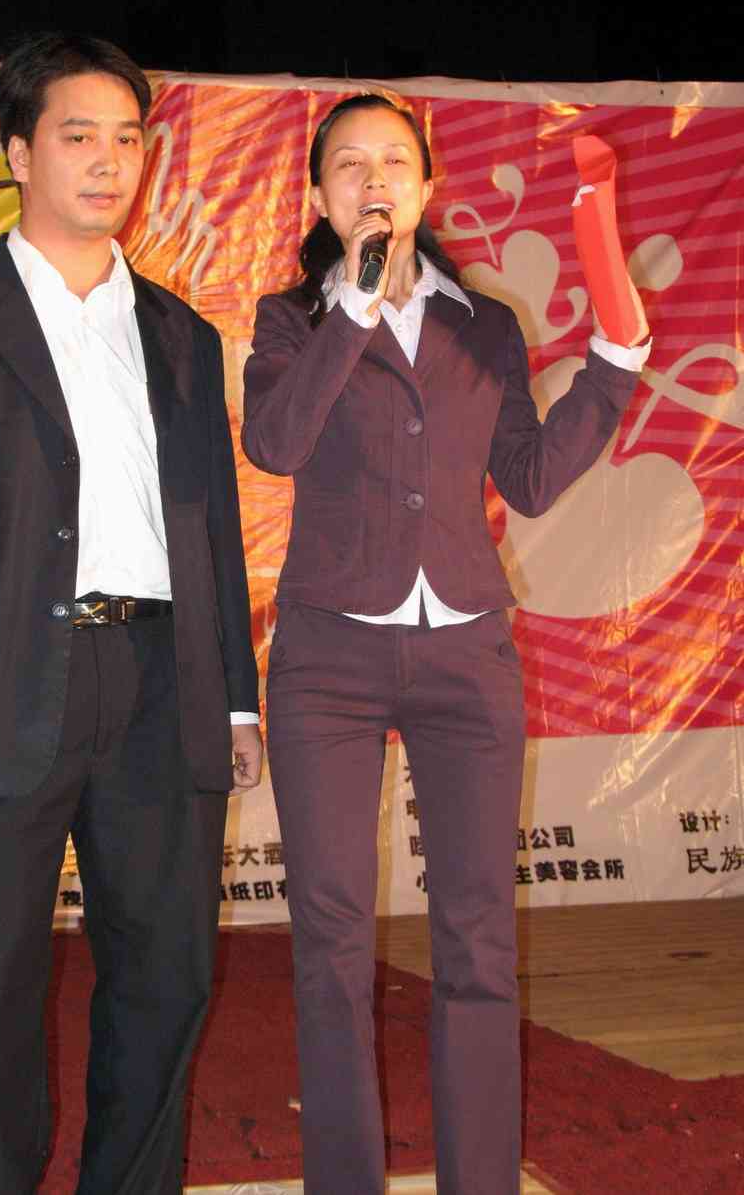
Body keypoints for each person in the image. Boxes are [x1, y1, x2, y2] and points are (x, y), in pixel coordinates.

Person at [0, 30, 262, 1195]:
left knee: (167, 977)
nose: (107, 162)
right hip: (0, 679)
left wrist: (234, 699)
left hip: (162, 682)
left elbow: (212, 531)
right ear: (17, 152)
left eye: (127, 139)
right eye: (78, 136)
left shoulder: (182, 336)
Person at [241, 93, 650, 1195]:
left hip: (467, 656)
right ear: (319, 195)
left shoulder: (484, 325)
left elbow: (529, 475)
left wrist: (613, 365)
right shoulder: (292, 320)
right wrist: (355, 307)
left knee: (477, 937)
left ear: (427, 185)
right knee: (331, 940)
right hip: (327, 660)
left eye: (393, 160)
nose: (372, 178)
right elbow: (274, 442)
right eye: (348, 164)